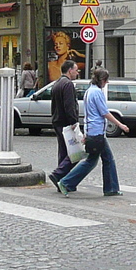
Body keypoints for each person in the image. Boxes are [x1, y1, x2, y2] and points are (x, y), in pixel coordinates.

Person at [56, 67, 127, 197]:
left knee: (102, 159)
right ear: (102, 80)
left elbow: (89, 114)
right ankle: (66, 182)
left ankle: (111, 188)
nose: (107, 83)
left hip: (92, 131)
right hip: (97, 132)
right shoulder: (97, 93)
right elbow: (104, 112)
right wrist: (120, 125)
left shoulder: (89, 91)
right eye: (106, 80)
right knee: (97, 160)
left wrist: (86, 133)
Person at [48, 59, 81, 187]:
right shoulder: (67, 85)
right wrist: (73, 122)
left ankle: (62, 181)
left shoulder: (56, 84)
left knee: (64, 152)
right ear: (70, 70)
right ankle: (59, 175)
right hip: (66, 123)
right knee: (74, 152)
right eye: (76, 70)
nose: (77, 72)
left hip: (57, 122)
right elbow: (69, 105)